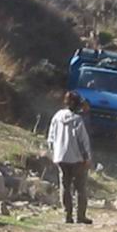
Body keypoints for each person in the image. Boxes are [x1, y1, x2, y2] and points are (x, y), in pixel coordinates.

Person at [48, 91, 93, 224]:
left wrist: (54, 152)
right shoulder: (77, 120)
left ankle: (67, 215)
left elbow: (51, 138)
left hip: (61, 157)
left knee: (65, 187)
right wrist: (87, 157)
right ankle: (80, 216)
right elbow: (83, 141)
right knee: (80, 187)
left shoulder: (57, 116)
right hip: (77, 158)